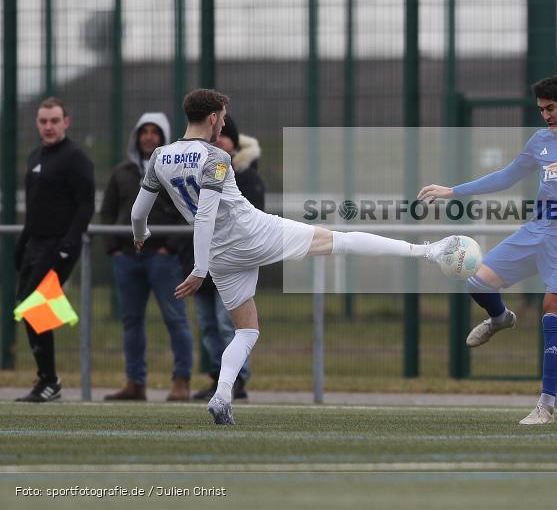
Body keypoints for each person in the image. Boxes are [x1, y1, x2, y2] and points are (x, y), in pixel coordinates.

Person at [130, 88, 456, 425]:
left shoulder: (159, 157)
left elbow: (138, 213)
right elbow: (205, 216)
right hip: (251, 233)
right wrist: (198, 270)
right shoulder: (216, 157)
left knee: (247, 330)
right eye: (223, 118)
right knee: (337, 241)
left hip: (220, 255)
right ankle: (427, 251)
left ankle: (222, 394)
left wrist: (142, 236)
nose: (224, 124)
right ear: (212, 117)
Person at [418, 75, 557, 425]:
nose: (545, 116)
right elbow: (507, 176)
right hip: (536, 230)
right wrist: (452, 190)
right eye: (541, 110)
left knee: (553, 310)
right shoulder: (540, 139)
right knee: (476, 281)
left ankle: (546, 406)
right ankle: (499, 318)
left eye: (550, 108)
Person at [100, 113, 193, 402]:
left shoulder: (176, 171)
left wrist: (170, 247)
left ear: (164, 137)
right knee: (131, 321)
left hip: (163, 258)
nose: (149, 137)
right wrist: (114, 248)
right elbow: (107, 212)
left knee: (175, 319)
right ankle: (135, 382)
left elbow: (188, 212)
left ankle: (181, 381)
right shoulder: (121, 173)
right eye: (144, 131)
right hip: (127, 258)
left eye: (155, 132)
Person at [14, 98, 94, 402]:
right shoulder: (35, 155)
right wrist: (22, 244)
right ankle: (48, 381)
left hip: (58, 245)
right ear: (37, 123)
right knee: (30, 308)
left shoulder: (75, 158)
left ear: (66, 122)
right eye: (43, 121)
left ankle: (50, 381)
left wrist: (68, 245)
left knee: (35, 306)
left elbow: (85, 205)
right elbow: (35, 206)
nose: (48, 126)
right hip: (34, 243)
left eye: (54, 121)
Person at [191, 115, 263, 402]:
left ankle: (235, 380)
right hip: (204, 263)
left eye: (225, 136)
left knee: (230, 324)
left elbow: (253, 222)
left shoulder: (246, 176)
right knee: (208, 325)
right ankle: (217, 378)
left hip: (231, 262)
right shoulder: (199, 170)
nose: (219, 140)